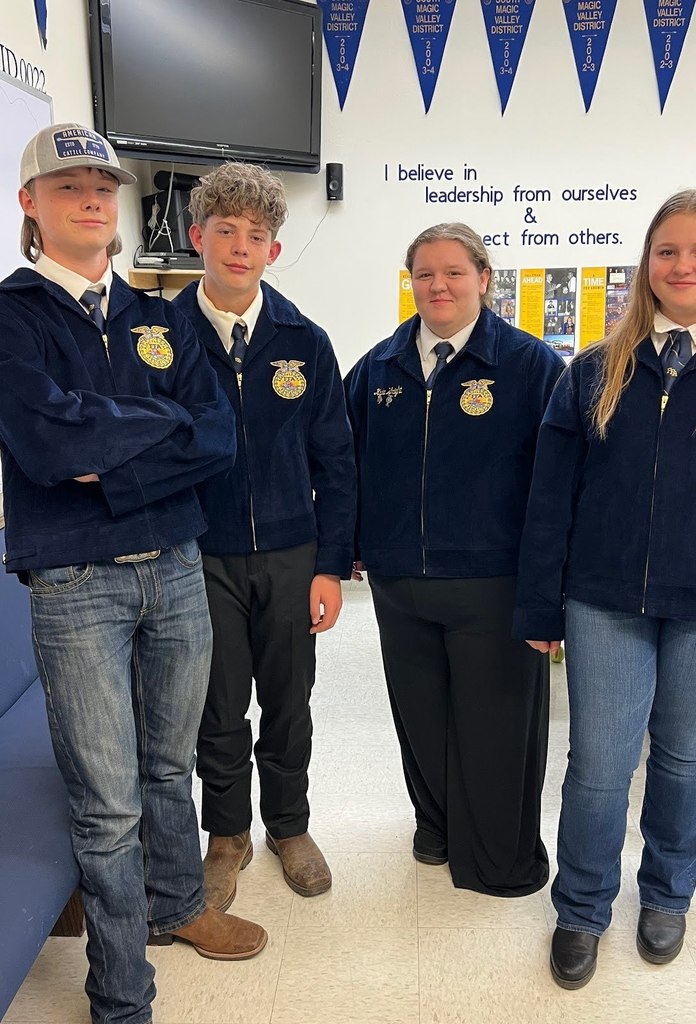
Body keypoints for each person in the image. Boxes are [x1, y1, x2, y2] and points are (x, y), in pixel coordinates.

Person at [0, 124, 268, 1024]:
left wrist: (105, 452)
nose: (91, 199)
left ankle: (178, 906)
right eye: (67, 184)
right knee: (107, 802)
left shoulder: (159, 316)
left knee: (168, 766)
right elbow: (45, 445)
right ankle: (121, 992)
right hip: (76, 584)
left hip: (178, 571)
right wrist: (155, 433)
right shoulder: (10, 319)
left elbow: (218, 438)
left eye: (104, 186)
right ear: (30, 204)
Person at [514, 188, 696, 989]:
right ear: (646, 262)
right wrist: (539, 603)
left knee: (687, 758)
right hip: (604, 599)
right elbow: (550, 498)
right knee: (598, 764)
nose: (683, 266)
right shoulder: (595, 370)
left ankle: (667, 895)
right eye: (668, 251)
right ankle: (582, 907)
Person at [344, 223, 563, 896]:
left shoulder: (531, 367)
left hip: (493, 584)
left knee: (494, 726)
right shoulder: (380, 367)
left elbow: (558, 485)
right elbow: (344, 460)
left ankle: (498, 857)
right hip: (401, 580)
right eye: (424, 274)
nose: (438, 286)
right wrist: (346, 548)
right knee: (421, 715)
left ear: (484, 278)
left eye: (454, 272)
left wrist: (548, 588)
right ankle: (434, 826)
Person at [173, 162, 355, 906]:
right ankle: (226, 834)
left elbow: (337, 461)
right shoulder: (161, 338)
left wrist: (330, 566)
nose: (240, 248)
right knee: (217, 708)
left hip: (289, 554)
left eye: (257, 236)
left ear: (274, 251)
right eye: (226, 232)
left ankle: (289, 824)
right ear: (198, 238)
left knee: (288, 699)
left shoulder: (304, 342)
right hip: (198, 555)